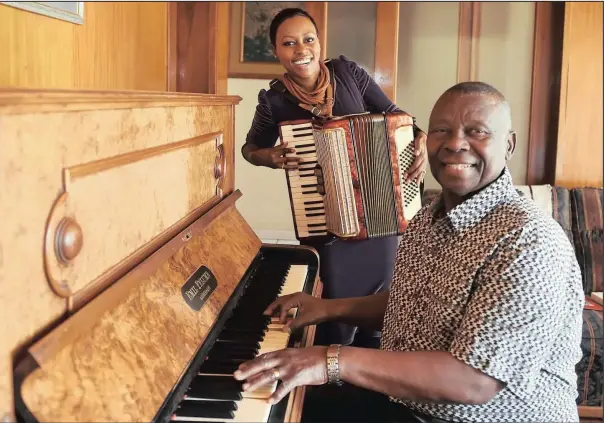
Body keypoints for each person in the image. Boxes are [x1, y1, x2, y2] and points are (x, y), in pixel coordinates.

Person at [234, 81, 585, 422]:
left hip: (473, 415)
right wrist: (326, 309)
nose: (454, 144)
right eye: (441, 131)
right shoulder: (426, 217)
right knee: (273, 402)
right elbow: (410, 302)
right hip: (407, 403)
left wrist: (330, 359)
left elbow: (475, 380)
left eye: (476, 131)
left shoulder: (529, 240)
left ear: (508, 144)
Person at [242, 7, 428, 346]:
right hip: (323, 222)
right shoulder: (273, 101)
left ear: (318, 42)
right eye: (289, 43)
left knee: (381, 312)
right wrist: (267, 156)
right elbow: (250, 148)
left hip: (376, 217)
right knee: (331, 308)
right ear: (276, 51)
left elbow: (395, 116)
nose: (301, 50)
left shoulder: (348, 73)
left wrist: (420, 138)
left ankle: (375, 374)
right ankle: (329, 380)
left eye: (308, 39)